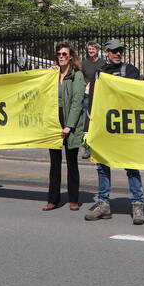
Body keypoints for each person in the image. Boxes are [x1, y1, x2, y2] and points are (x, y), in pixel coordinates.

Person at [85, 39, 144, 224]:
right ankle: (103, 203)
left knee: (131, 166)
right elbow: (93, 101)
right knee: (102, 166)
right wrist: (89, 128)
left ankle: (137, 203)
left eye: (120, 50)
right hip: (105, 126)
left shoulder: (131, 71)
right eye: (114, 51)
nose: (118, 53)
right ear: (107, 52)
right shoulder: (100, 73)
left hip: (127, 127)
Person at [45, 41, 85, 211]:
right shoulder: (52, 74)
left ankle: (73, 199)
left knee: (71, 162)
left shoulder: (77, 75)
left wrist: (69, 126)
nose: (61, 57)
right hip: (54, 120)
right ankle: (53, 199)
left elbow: (77, 102)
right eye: (59, 54)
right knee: (54, 163)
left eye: (65, 54)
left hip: (71, 122)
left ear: (70, 57)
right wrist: (46, 76)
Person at [80, 41, 103, 160]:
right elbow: (80, 76)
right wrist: (85, 85)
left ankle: (99, 147)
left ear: (97, 50)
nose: (91, 51)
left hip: (99, 95)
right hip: (87, 96)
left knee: (99, 119)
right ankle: (87, 147)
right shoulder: (84, 63)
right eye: (89, 49)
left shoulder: (102, 63)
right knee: (87, 121)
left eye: (93, 49)